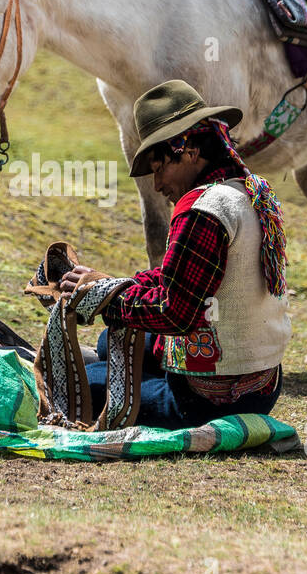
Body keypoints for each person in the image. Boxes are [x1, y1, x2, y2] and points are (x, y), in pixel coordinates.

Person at [61, 80, 292, 429]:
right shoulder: (250, 192)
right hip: (263, 388)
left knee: (75, 385)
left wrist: (107, 303)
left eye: (159, 168)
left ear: (189, 151)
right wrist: (111, 285)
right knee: (110, 341)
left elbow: (176, 313)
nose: (157, 185)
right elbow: (181, 278)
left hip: (204, 400)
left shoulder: (201, 210)